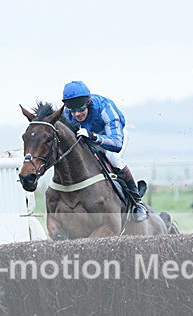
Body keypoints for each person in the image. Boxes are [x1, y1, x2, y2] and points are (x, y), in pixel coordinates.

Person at [61, 80, 148, 221]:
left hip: (112, 137)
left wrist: (93, 136)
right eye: (73, 110)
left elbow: (116, 143)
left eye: (81, 109)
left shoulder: (105, 108)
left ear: (88, 102)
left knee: (113, 158)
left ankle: (137, 202)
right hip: (87, 138)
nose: (77, 114)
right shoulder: (67, 114)